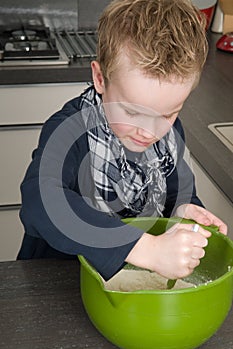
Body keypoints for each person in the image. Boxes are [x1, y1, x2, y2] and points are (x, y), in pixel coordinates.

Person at [17, 0, 227, 282]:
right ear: (100, 78)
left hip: (128, 285)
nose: (149, 132)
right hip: (56, 284)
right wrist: (146, 249)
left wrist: (185, 211)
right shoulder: (69, 131)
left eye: (166, 114)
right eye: (132, 112)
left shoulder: (169, 134)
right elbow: (40, 201)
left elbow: (176, 191)